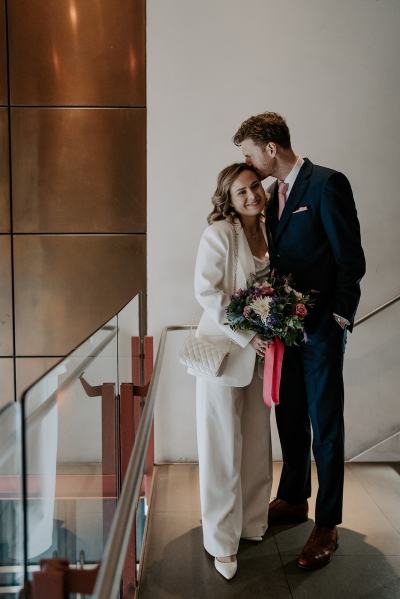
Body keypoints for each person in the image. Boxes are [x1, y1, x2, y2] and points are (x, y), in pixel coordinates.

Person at [233, 112, 366, 570]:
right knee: (288, 414)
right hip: (282, 332)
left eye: (249, 152)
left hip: (322, 331)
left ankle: (327, 523)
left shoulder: (328, 184)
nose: (248, 162)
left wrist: (339, 319)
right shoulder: (269, 196)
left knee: (325, 424)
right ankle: (292, 497)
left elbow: (351, 259)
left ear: (271, 149)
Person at [193, 163, 273, 579]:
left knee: (258, 442)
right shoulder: (220, 233)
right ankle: (221, 540)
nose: (251, 196)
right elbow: (208, 292)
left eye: (255, 186)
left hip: (264, 356)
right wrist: (248, 335)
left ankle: (253, 523)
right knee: (222, 448)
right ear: (228, 198)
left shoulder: (269, 229)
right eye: (241, 192)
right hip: (225, 355)